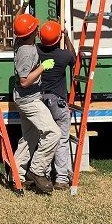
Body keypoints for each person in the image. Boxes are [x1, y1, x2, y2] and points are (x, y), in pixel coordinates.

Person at [11, 13, 60, 194]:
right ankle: (37, 171)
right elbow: (24, 81)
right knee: (53, 133)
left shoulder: (20, 42)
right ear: (33, 32)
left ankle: (16, 175)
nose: (38, 29)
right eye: (35, 27)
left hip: (25, 98)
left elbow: (18, 28)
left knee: (29, 138)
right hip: (29, 100)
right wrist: (42, 67)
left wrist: (22, 7)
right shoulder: (26, 52)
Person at [37, 20, 76, 190]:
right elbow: (74, 57)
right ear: (58, 38)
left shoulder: (36, 51)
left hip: (40, 101)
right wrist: (66, 36)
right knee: (61, 139)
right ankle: (61, 179)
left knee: (44, 138)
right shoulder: (63, 56)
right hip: (58, 102)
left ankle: (43, 174)